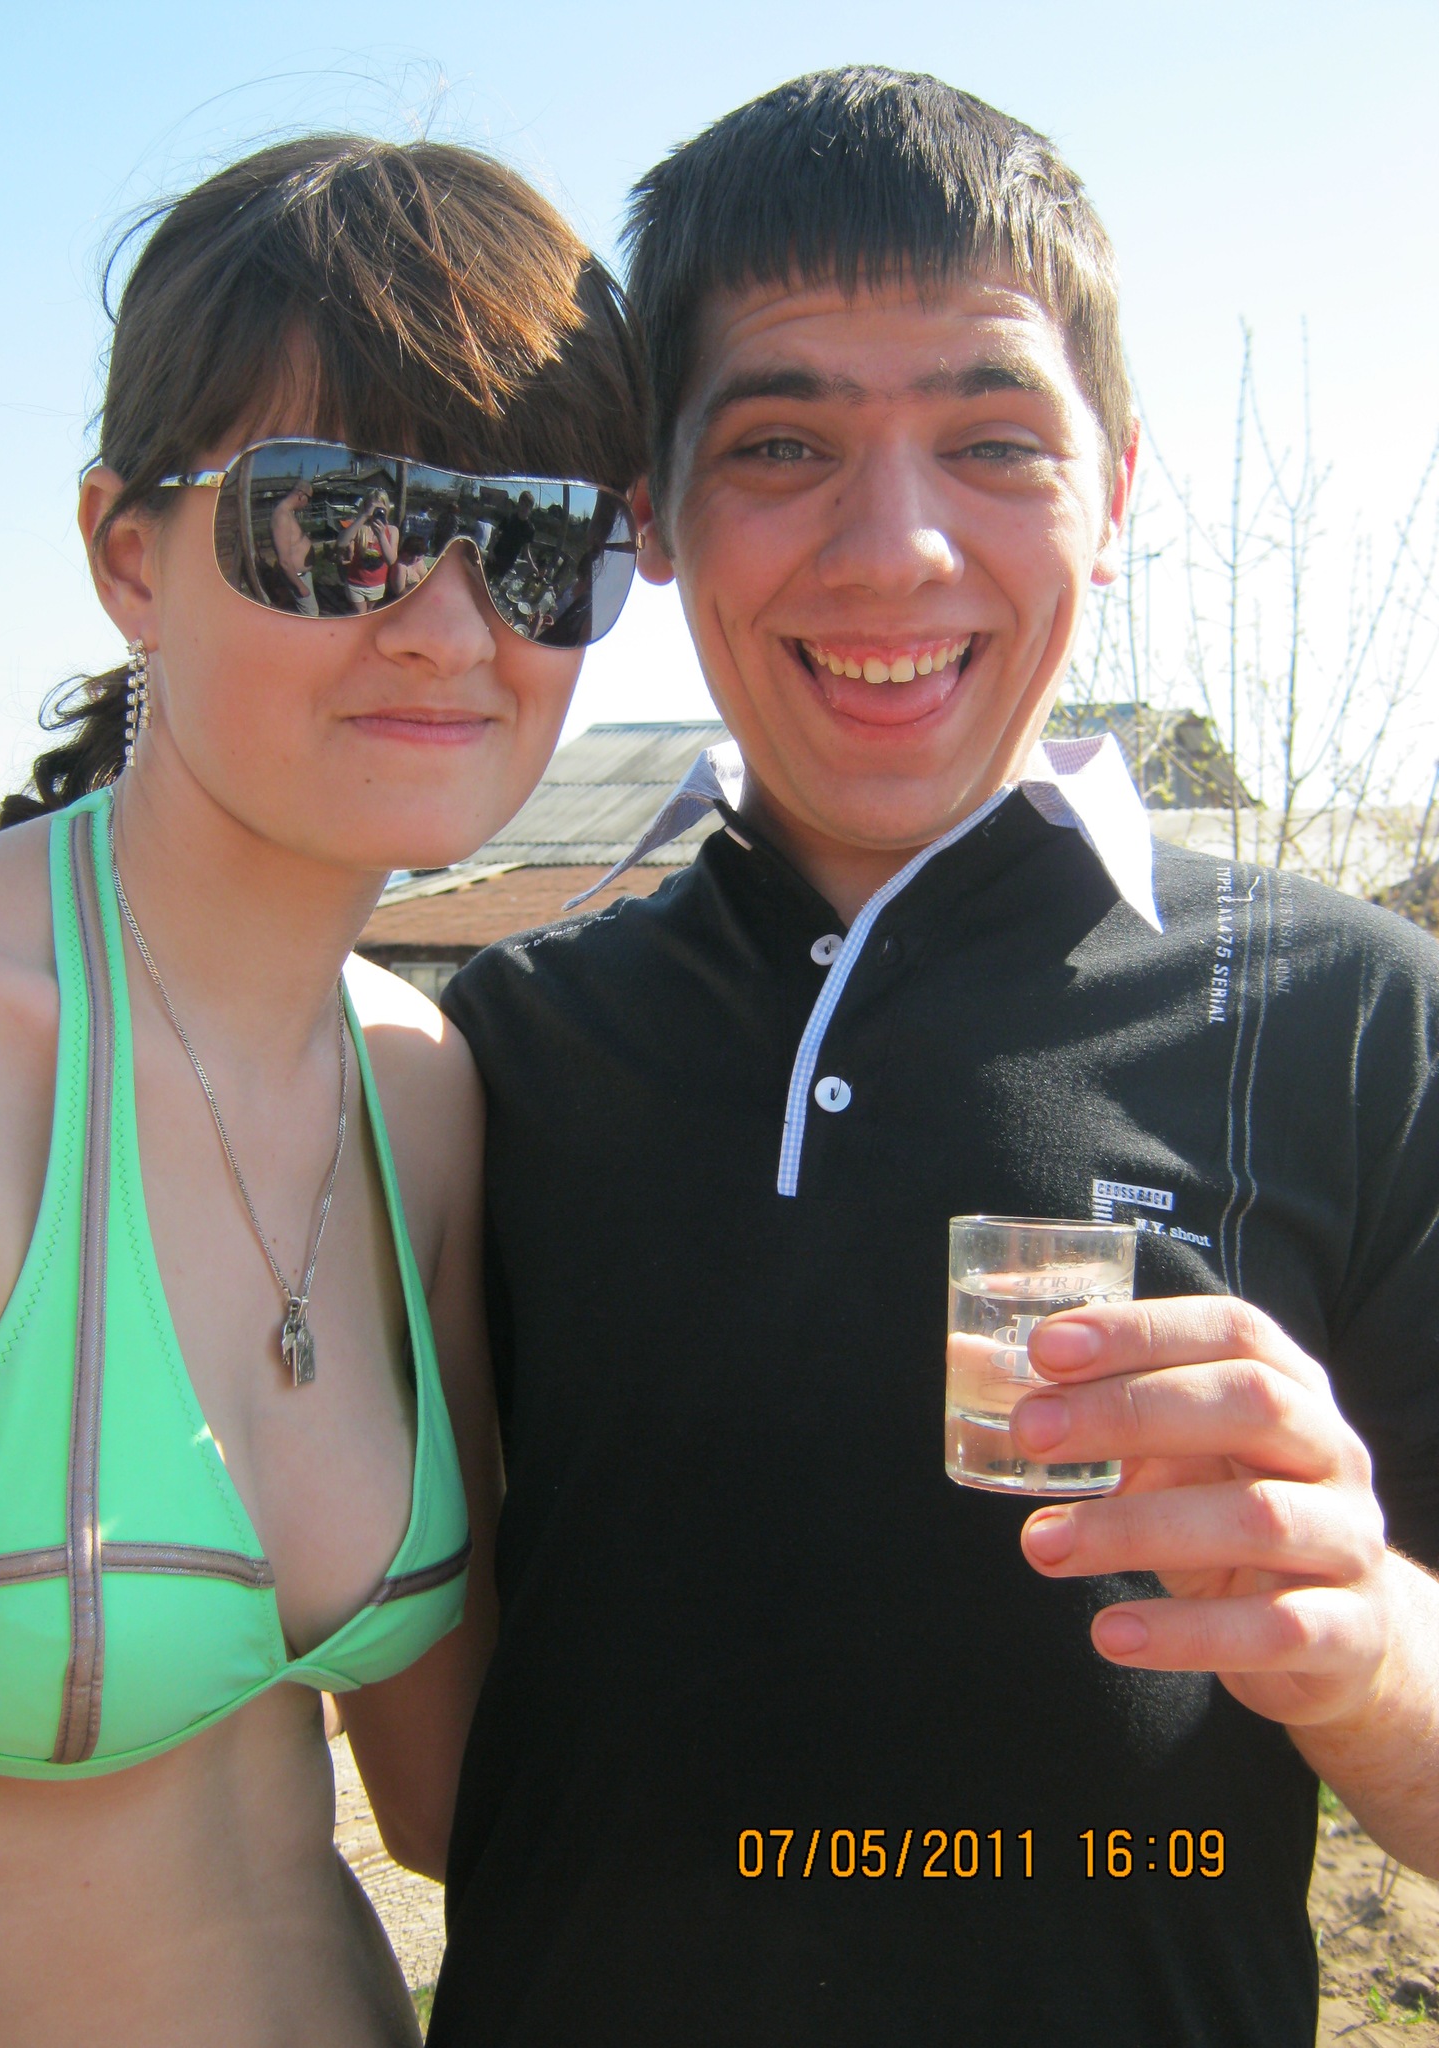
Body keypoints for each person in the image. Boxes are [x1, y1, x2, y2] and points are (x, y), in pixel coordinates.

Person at [387, 70, 1439, 2047]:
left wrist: (1369, 1641)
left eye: (994, 440)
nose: (895, 551)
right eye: (782, 443)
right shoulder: (499, 1050)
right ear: (655, 515)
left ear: (1115, 495)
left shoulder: (1365, 1021)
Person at [0, 134, 643, 2048]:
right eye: (342, 522)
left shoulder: (421, 1088)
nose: (452, 626)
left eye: (543, 539)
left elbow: (455, 1800)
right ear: (125, 554)